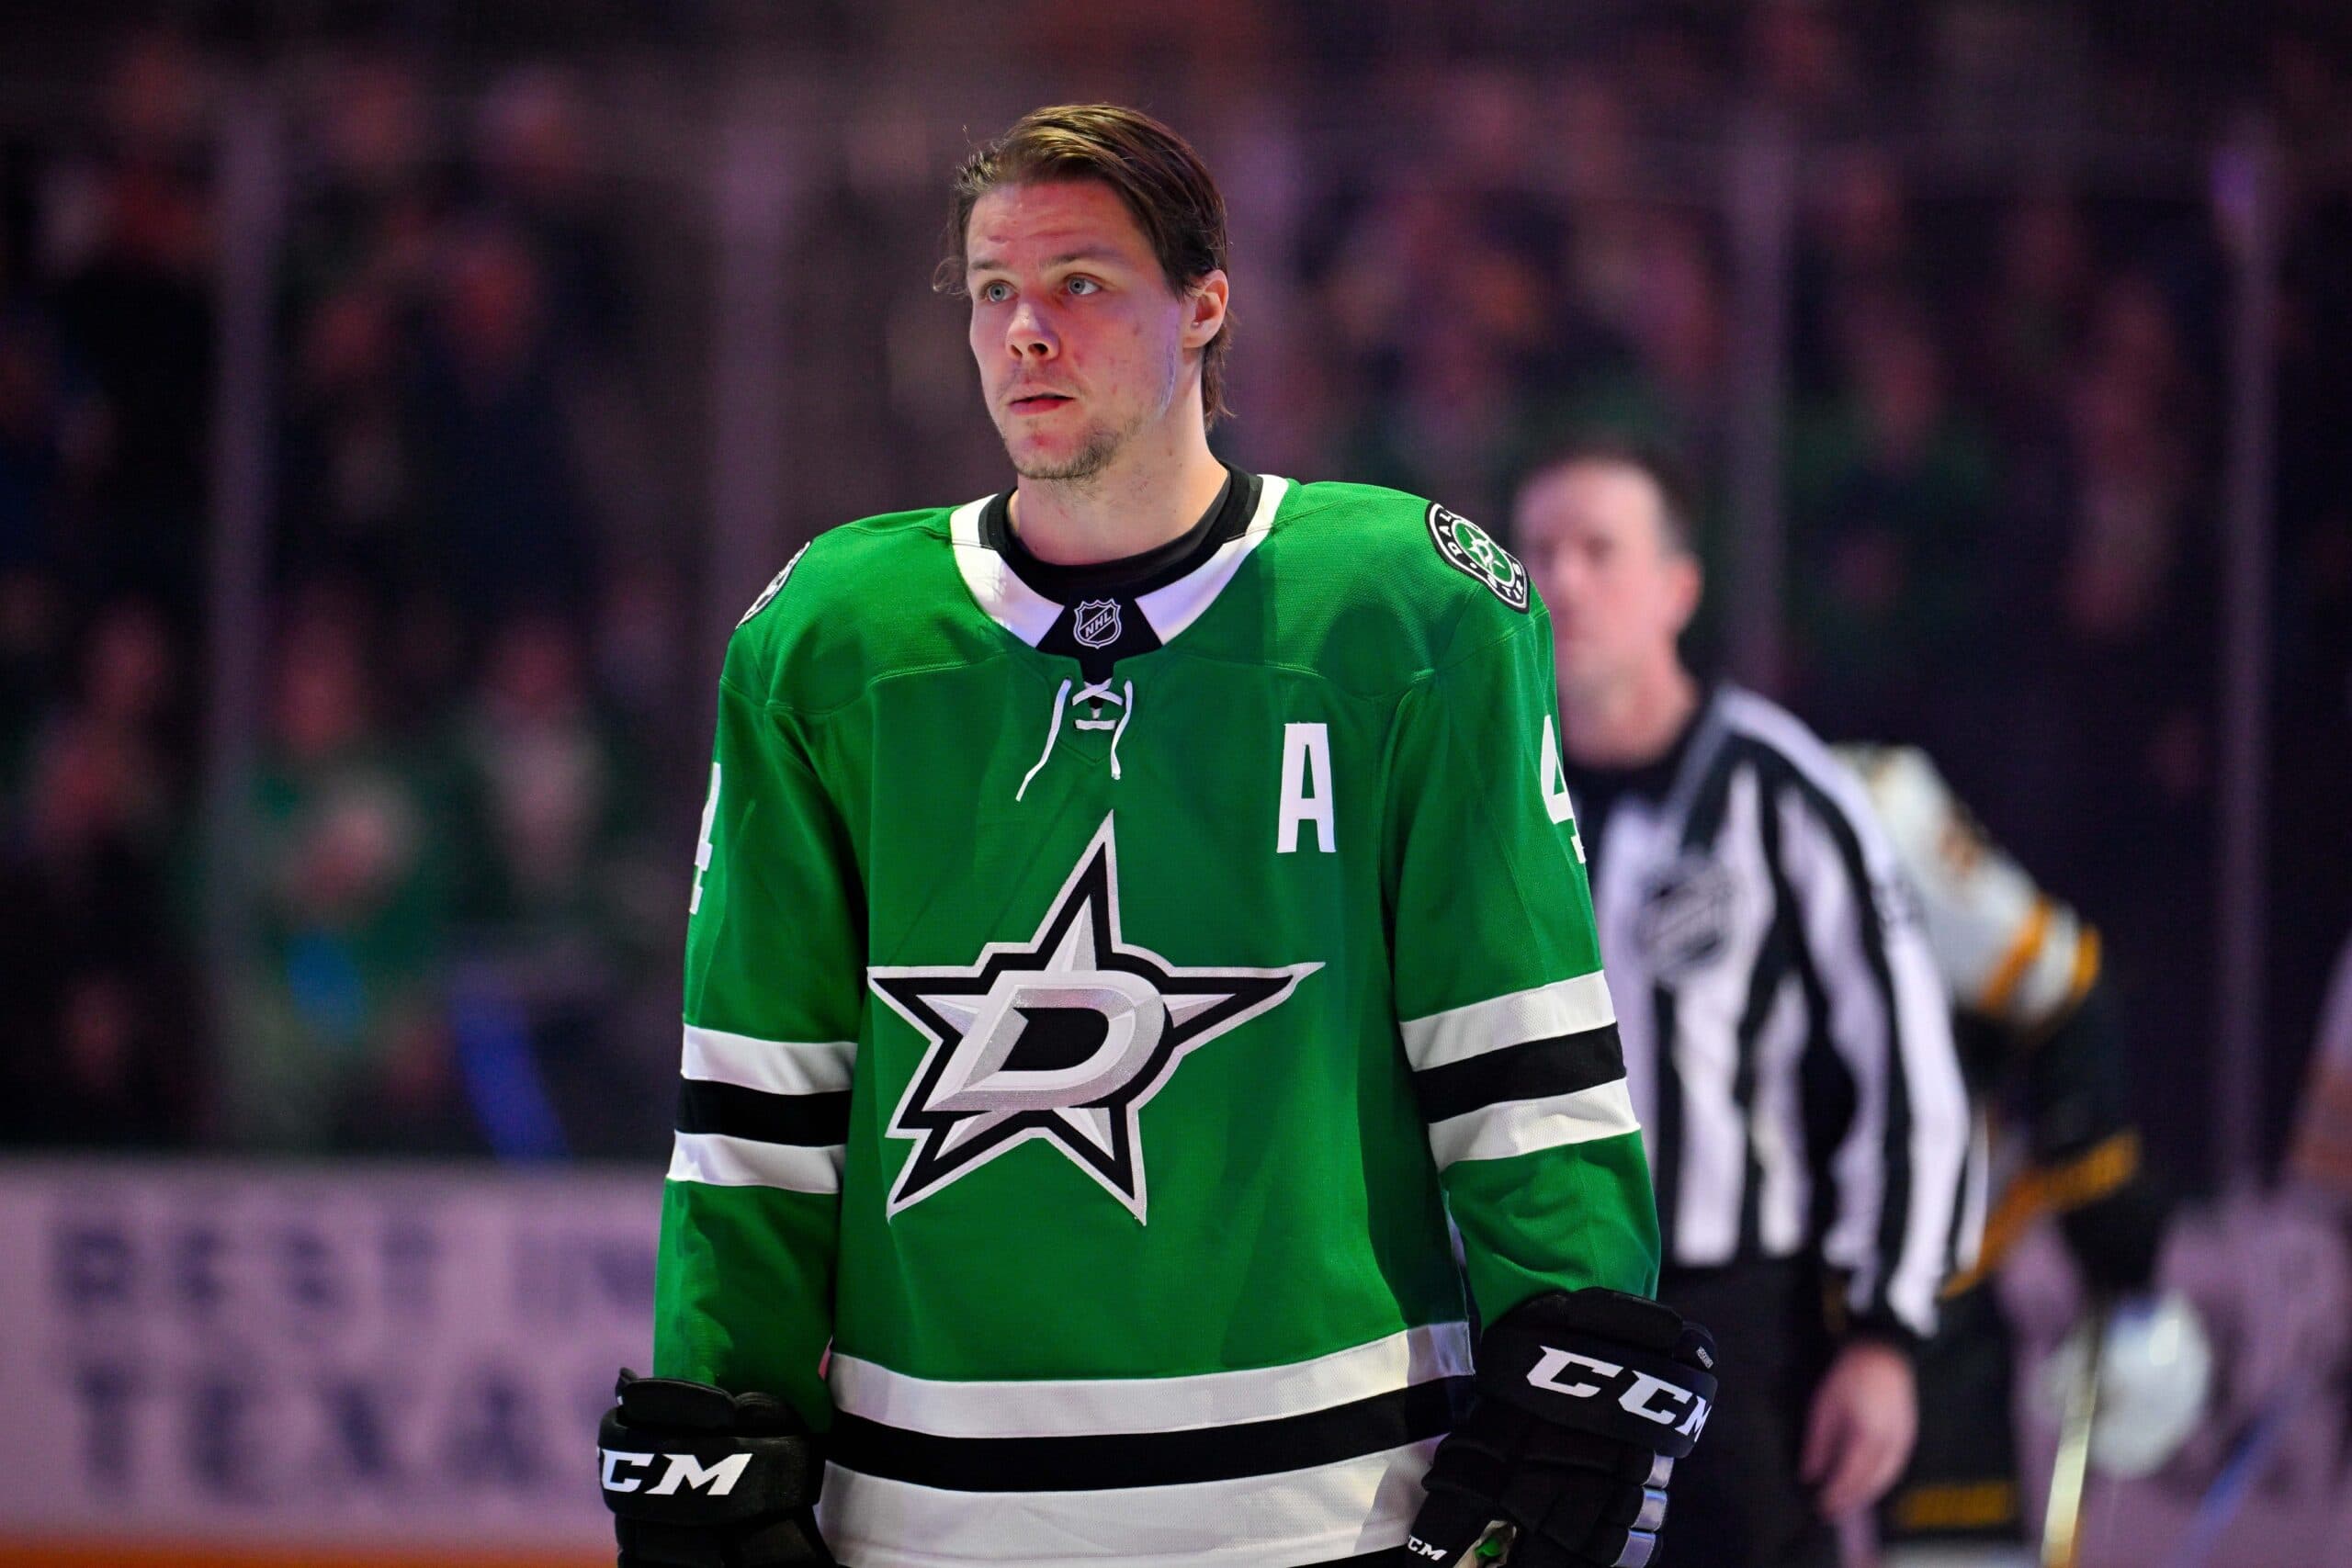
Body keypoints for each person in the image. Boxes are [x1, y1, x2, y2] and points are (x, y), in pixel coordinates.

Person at [596, 106, 1716, 1568]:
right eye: (995, 288)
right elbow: (756, 1111)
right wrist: (715, 1415)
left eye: (1081, 282)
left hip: (1333, 1512)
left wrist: (1574, 1366)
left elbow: (1519, 1069)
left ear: (1205, 308)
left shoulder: (1409, 616)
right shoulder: (828, 644)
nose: (1025, 334)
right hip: (929, 1520)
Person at [1513, 436, 1972, 1568]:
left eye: (1597, 551)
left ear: (1678, 586)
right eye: (1537, 553)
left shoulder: (1784, 793)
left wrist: (1882, 1336)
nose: (1561, 581)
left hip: (1738, 1333)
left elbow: (1905, 1073)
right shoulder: (1475, 787)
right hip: (1519, 1313)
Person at [1837, 742, 2192, 1565]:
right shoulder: (1531, 800)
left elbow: (2064, 986)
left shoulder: (1868, 800)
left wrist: (2113, 1242)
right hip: (1728, 1321)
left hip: (1928, 1314)